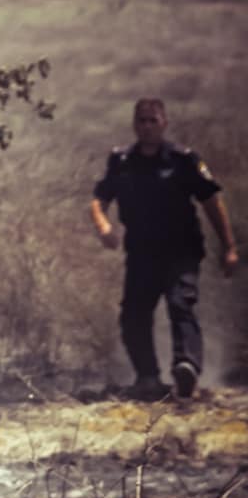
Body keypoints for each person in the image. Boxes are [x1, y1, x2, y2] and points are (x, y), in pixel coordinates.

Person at [89, 97, 238, 400]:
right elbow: (99, 199)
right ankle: (147, 378)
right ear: (134, 124)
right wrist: (103, 226)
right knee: (133, 314)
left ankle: (187, 367)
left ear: (164, 123)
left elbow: (211, 201)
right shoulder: (121, 161)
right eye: (141, 121)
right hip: (141, 253)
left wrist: (229, 246)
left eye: (152, 120)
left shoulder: (183, 160)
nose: (146, 126)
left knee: (180, 303)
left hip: (181, 250)